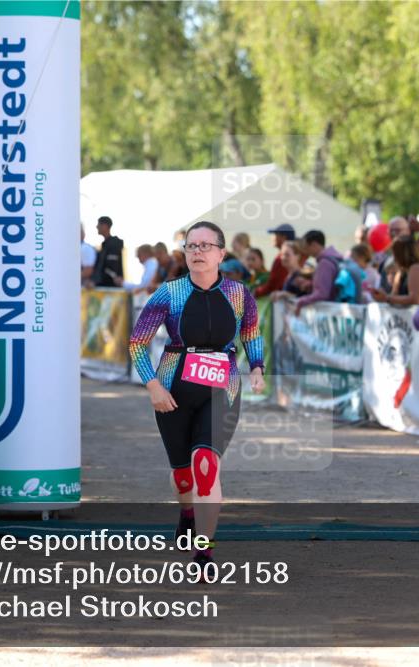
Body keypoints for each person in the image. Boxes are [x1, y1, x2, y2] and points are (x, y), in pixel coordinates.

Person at [128, 220, 264, 577]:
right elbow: (137, 343)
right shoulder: (168, 294)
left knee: (206, 464)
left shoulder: (238, 294)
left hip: (223, 387)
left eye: (206, 246)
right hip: (173, 389)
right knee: (183, 476)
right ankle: (187, 512)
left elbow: (251, 331)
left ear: (221, 253)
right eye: (191, 246)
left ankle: (204, 553)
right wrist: (153, 385)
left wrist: (257, 366)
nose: (198, 252)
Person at [294, 230, 344, 315]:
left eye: (306, 247)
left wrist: (301, 301)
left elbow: (322, 293)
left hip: (330, 313)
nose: (305, 251)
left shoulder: (324, 263)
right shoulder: (332, 260)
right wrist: (311, 284)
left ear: (314, 245)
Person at [369, 235, 419, 306]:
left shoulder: (416, 268)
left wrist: (386, 298)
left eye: (394, 252)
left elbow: (415, 299)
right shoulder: (402, 271)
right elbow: (394, 294)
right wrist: (382, 296)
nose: (393, 256)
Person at [255, 223, 296, 298]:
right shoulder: (296, 255)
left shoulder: (280, 259)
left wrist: (255, 292)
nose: (273, 238)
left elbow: (273, 284)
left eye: (275, 235)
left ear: (283, 237)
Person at [91, 216, 124, 287]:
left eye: (99, 224)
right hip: (104, 287)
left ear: (105, 226)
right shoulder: (105, 245)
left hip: (110, 288)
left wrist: (97, 282)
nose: (97, 227)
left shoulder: (113, 244)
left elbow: (112, 268)